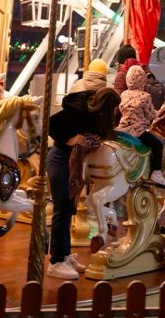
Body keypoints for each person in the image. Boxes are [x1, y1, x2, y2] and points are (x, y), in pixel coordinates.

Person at [48, 86, 120, 279]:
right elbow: (51, 123)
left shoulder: (95, 117)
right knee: (61, 208)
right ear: (106, 107)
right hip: (60, 158)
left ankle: (64, 255)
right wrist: (70, 139)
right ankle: (55, 261)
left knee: (68, 208)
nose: (115, 113)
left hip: (74, 161)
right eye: (113, 109)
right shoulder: (79, 111)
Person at [117, 65, 165, 187]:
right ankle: (156, 173)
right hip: (138, 131)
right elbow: (150, 115)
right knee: (158, 144)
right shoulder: (145, 96)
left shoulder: (124, 94)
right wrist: (160, 112)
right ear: (142, 80)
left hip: (122, 130)